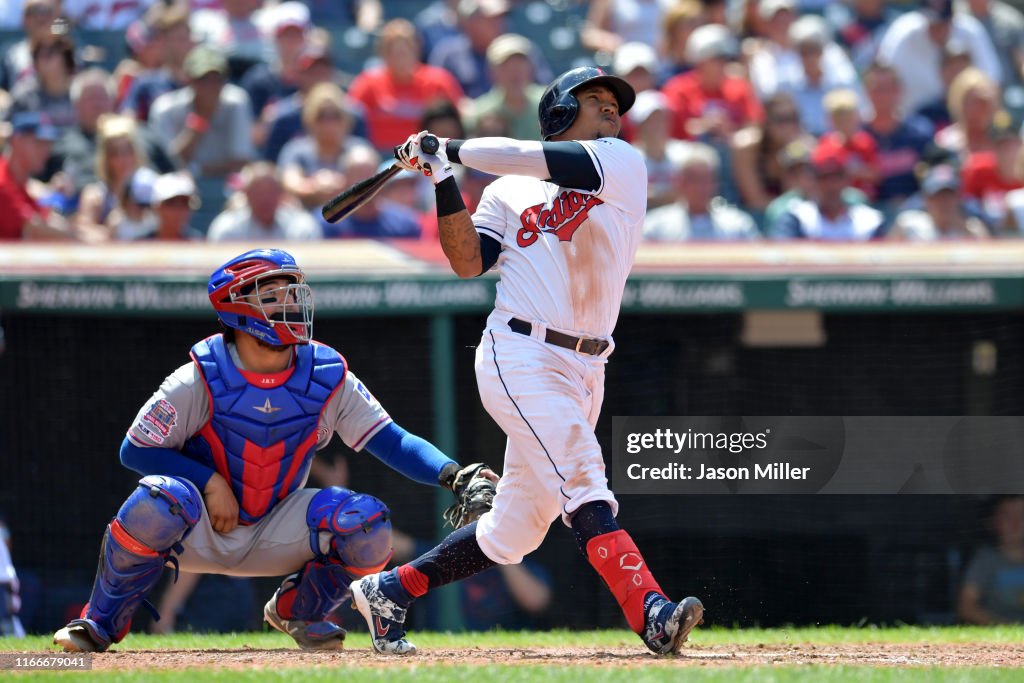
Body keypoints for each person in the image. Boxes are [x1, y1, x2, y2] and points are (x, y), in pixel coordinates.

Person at [348, 66, 704, 657]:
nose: (611, 110)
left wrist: (448, 147)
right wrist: (441, 177)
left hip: (588, 366)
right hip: (520, 351)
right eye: (593, 101)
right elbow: (469, 261)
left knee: (516, 528)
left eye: (614, 103)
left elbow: (520, 154)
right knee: (582, 472)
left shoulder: (620, 163)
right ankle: (652, 611)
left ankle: (390, 590)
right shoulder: (506, 192)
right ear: (560, 112)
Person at [53, 247, 490, 652]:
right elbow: (135, 450)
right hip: (199, 526)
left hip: (278, 525)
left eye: (292, 291)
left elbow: (390, 439)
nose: (291, 303)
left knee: (368, 523)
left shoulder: (325, 372)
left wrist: (452, 474)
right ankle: (98, 624)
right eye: (273, 293)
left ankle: (299, 612)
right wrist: (209, 482)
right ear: (236, 305)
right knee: (159, 497)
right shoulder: (199, 376)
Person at [149, 45, 256, 179]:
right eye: (203, 79)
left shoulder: (237, 102)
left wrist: (197, 170)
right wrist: (199, 122)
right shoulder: (165, 108)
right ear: (188, 80)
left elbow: (242, 163)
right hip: (178, 190)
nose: (211, 87)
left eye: (217, 79)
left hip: (226, 188)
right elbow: (165, 166)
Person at [643, 143, 759, 241]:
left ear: (715, 183)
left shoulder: (738, 225)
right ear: (680, 183)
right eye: (693, 179)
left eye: (705, 179)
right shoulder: (655, 226)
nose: (700, 187)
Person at [0, 111, 73, 240]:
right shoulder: (2, 179)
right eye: (39, 143)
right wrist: (82, 239)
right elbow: (33, 228)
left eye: (48, 144)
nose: (46, 151)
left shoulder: (21, 185)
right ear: (17, 141)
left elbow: (45, 218)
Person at [206, 162, 321, 241]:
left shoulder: (301, 226)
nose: (265, 198)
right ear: (247, 194)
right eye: (258, 192)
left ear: (280, 194)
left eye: (270, 192)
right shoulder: (227, 227)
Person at [958, 495, 1024, 624]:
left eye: (1022, 515)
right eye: (1007, 516)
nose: (1015, 523)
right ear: (993, 522)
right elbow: (966, 607)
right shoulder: (985, 560)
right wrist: (1005, 626)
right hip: (1000, 634)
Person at [887, 163, 991, 240]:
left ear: (958, 198)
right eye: (938, 197)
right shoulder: (908, 225)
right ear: (926, 199)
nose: (944, 203)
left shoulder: (972, 229)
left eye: (948, 196)